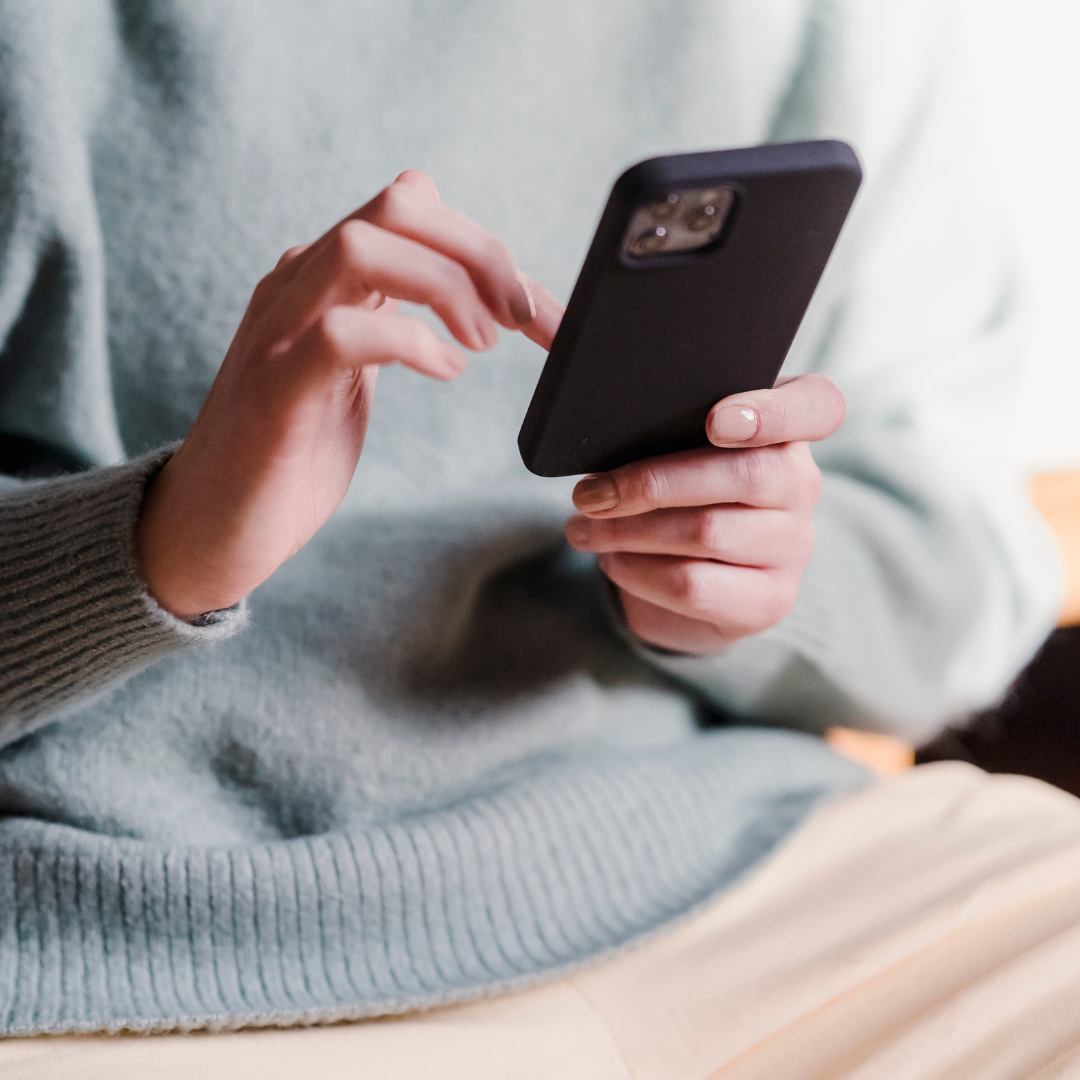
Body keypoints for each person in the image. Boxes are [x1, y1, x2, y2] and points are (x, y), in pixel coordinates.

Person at [0, 0, 1070, 1074]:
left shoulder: (825, 23)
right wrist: (153, 545)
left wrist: (755, 580)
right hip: (135, 945)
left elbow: (969, 574)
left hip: (747, 876)